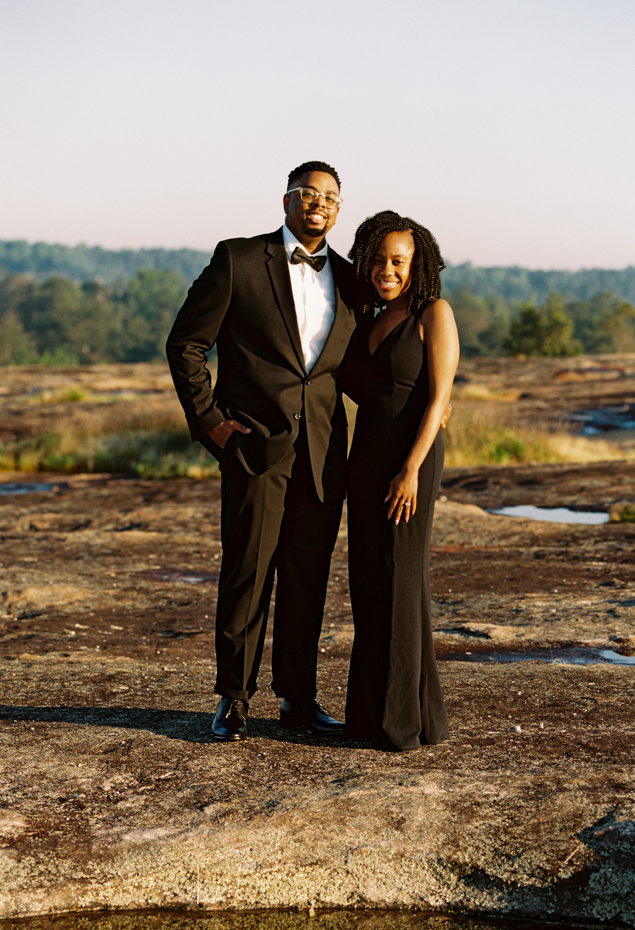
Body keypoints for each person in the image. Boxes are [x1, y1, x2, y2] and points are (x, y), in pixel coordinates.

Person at [166, 161, 357, 742]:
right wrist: (211, 424)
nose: (317, 204)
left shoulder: (350, 278)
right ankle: (233, 698)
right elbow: (186, 344)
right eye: (307, 194)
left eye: (329, 197)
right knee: (247, 573)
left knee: (307, 578)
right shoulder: (238, 259)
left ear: (338, 209)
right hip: (252, 447)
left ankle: (298, 699)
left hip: (323, 456)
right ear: (286, 200)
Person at [343, 211, 460, 751]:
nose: (386, 269)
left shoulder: (433, 313)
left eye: (399, 261)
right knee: (371, 582)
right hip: (364, 458)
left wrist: (412, 468)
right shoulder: (365, 319)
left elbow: (437, 399)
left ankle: (398, 726)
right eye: (378, 260)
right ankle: (379, 717)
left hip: (408, 461)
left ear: (419, 266)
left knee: (401, 577)